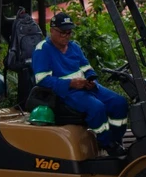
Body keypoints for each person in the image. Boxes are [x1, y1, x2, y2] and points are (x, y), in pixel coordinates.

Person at [30, 12, 128, 155]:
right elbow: (42, 79)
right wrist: (71, 83)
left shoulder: (74, 47)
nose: (66, 36)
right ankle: (107, 143)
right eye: (63, 32)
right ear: (52, 30)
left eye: (69, 32)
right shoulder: (43, 49)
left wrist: (91, 80)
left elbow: (87, 68)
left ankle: (116, 139)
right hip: (66, 91)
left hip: (86, 87)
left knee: (119, 102)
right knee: (97, 108)